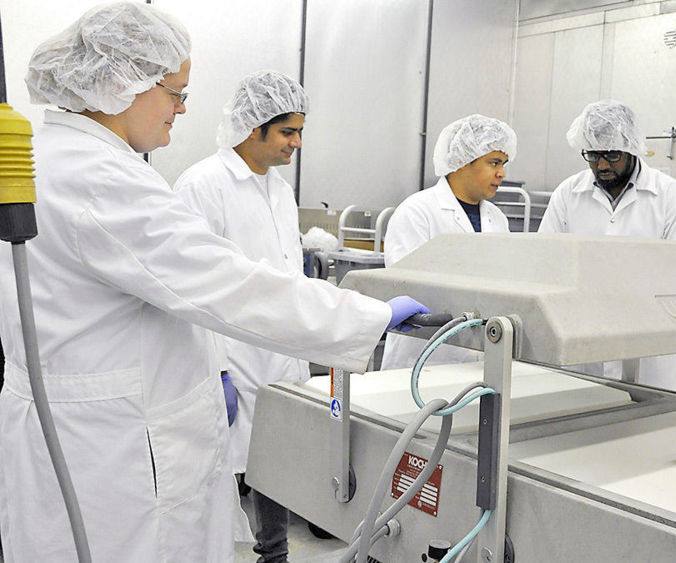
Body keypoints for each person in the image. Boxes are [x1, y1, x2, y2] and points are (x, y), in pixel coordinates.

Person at [0, 4, 427, 561]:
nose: (181, 109)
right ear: (116, 83)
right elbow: (227, 284)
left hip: (93, 424)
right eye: (175, 92)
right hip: (118, 444)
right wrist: (364, 317)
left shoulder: (55, 154)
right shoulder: (101, 179)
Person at [174, 70, 310, 563]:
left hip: (280, 355)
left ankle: (273, 554)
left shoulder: (279, 190)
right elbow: (191, 286)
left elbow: (289, 274)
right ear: (255, 128)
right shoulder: (203, 184)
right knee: (216, 470)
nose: (296, 143)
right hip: (228, 356)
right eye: (288, 132)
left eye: (299, 132)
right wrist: (220, 368)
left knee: (275, 462)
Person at [537, 100, 676, 391]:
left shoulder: (670, 196)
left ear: (631, 148)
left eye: (611, 154)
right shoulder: (568, 193)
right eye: (592, 155)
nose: (601, 165)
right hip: (581, 344)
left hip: (650, 350)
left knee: (651, 430)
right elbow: (545, 261)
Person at [380, 114, 516, 370]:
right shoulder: (417, 211)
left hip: (481, 357)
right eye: (494, 162)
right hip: (423, 357)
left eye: (504, 163)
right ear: (462, 160)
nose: (502, 173)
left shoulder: (496, 219)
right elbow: (406, 286)